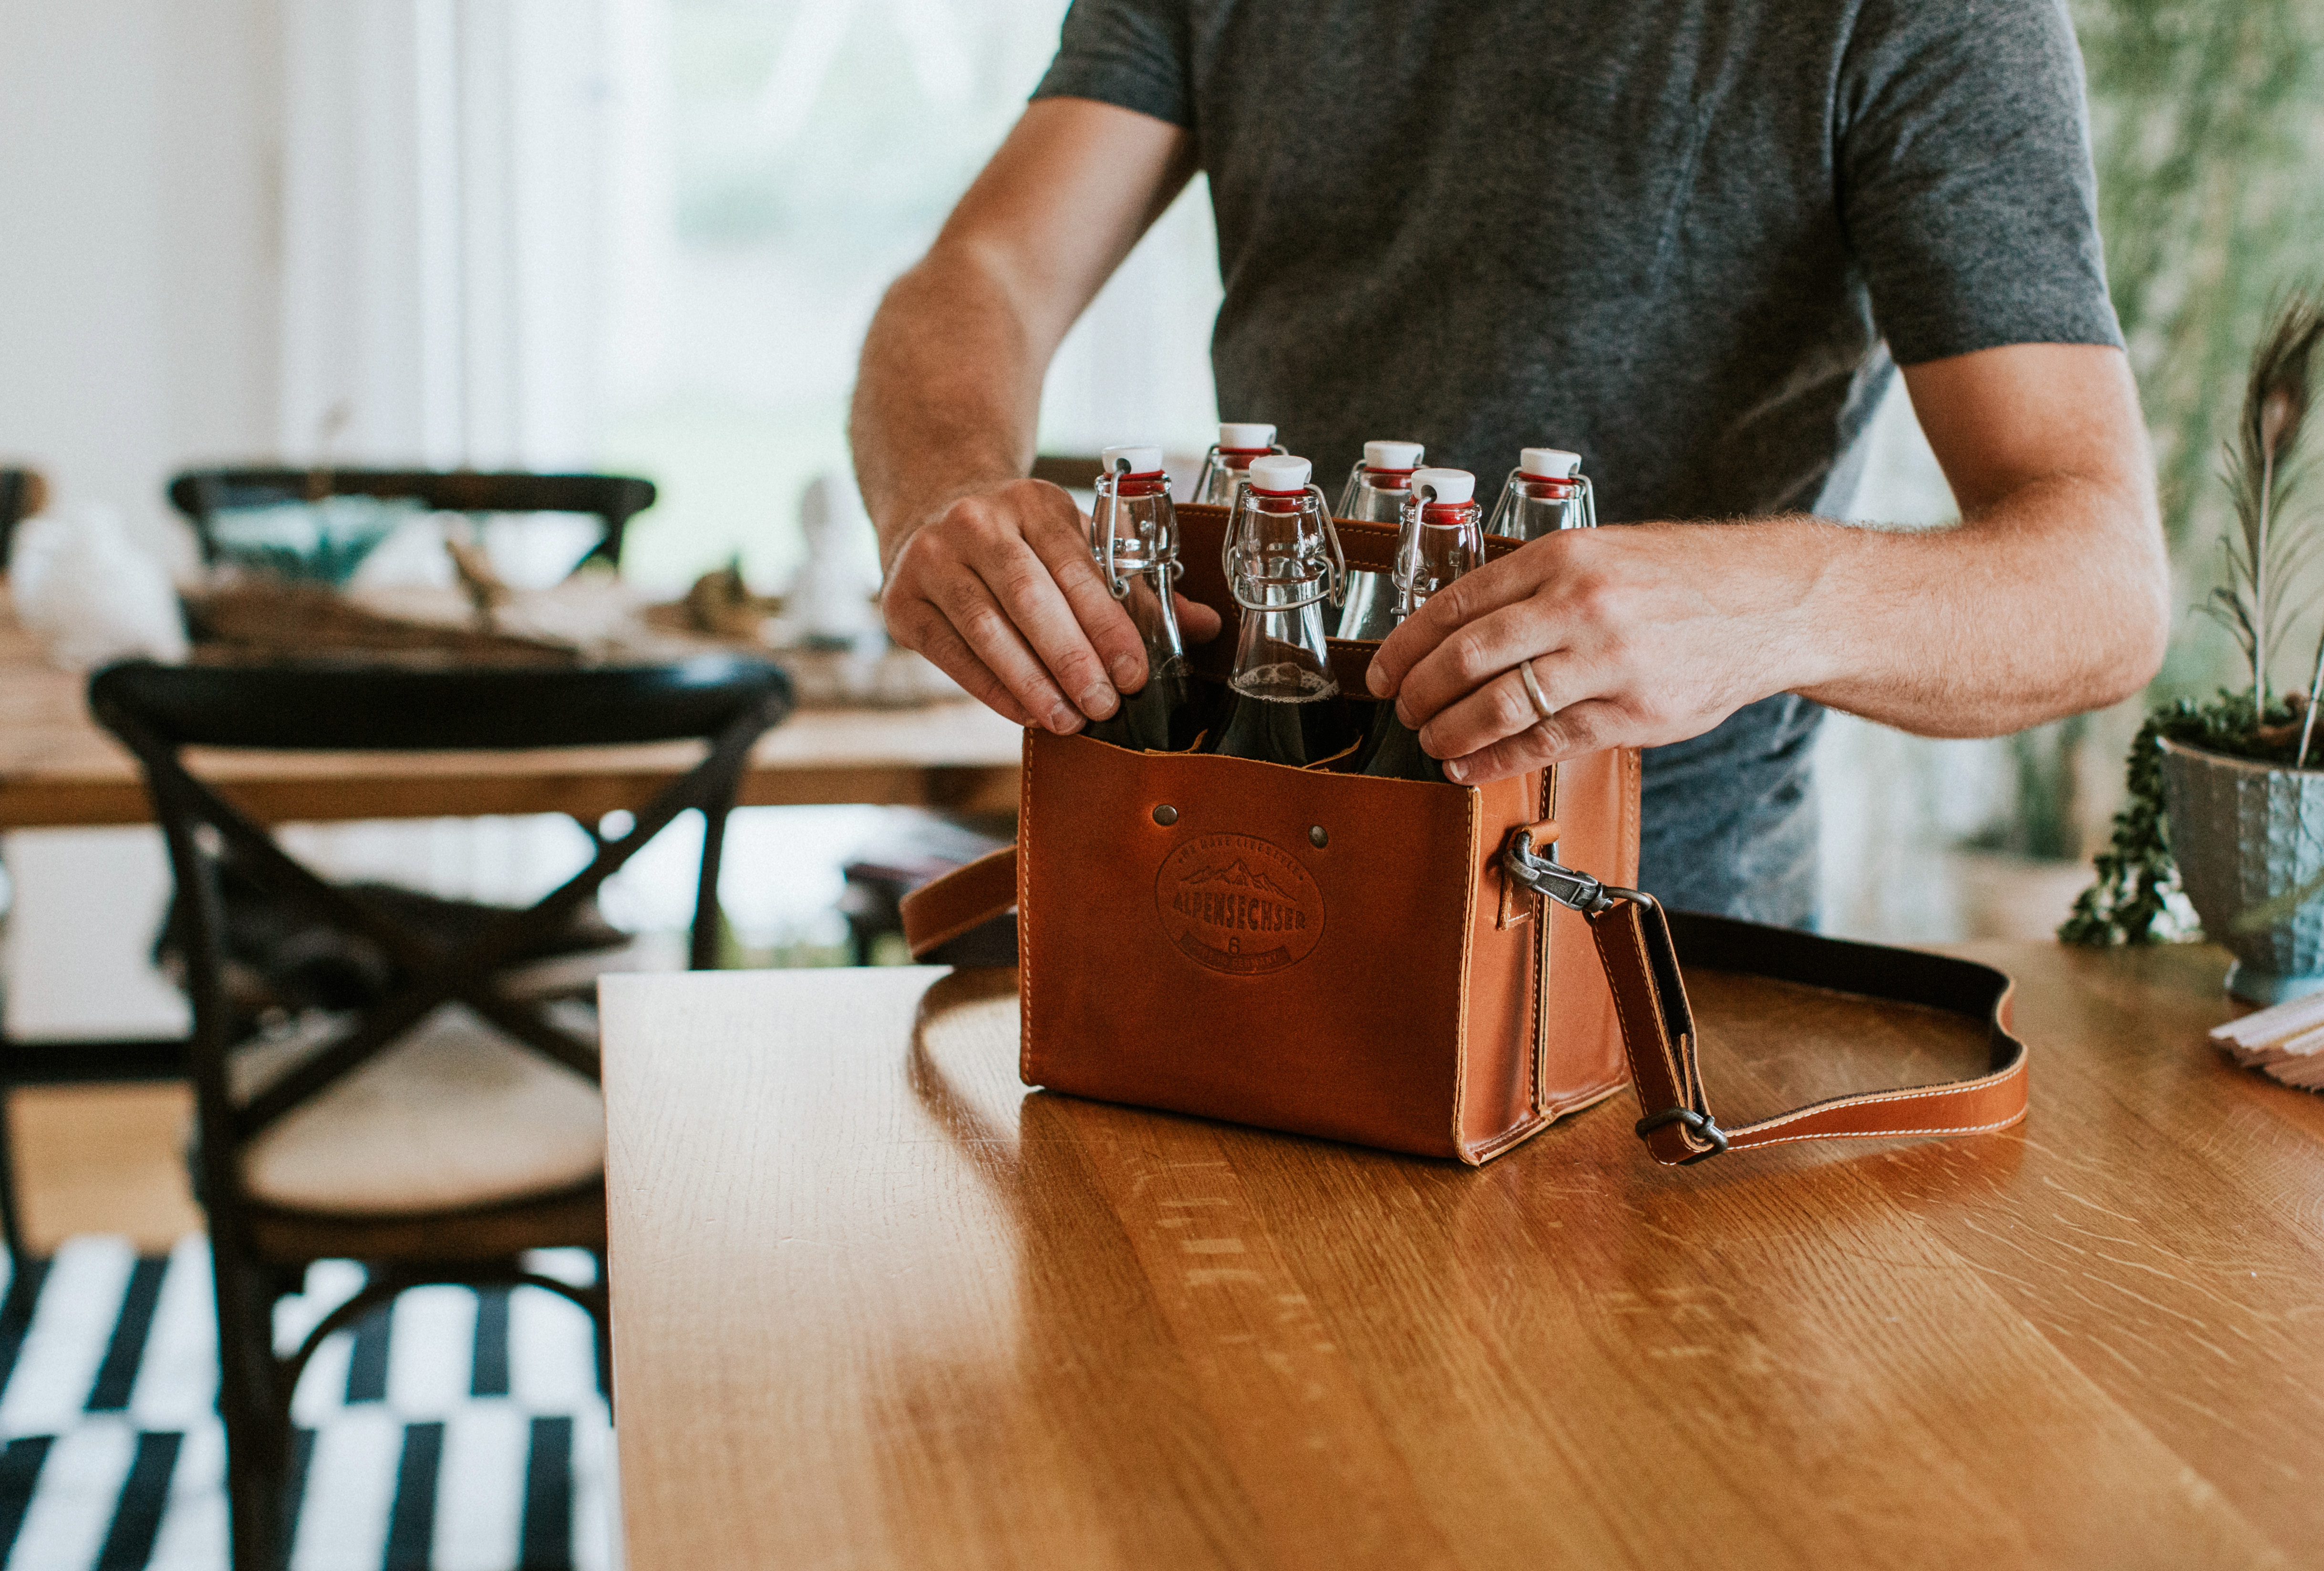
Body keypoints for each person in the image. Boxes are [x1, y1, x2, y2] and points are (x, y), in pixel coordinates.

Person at [850, 0, 2170, 927]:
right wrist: (943, 496)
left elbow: (2100, 586)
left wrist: (1773, 604)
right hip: (1265, 881)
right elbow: (983, 276)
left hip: (1655, 940)